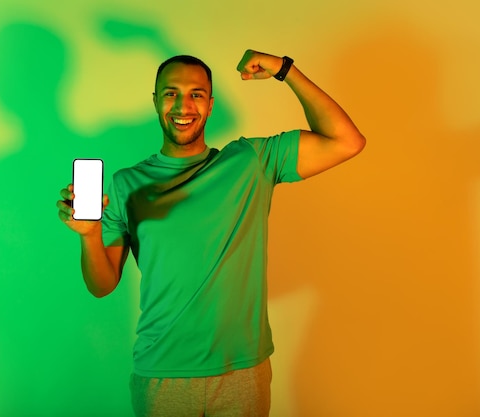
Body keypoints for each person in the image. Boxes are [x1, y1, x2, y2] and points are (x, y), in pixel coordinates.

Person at [57, 50, 365, 417]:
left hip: (241, 372)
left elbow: (347, 141)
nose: (182, 106)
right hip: (162, 375)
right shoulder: (128, 184)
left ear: (211, 104)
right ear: (155, 101)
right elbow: (102, 284)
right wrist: (89, 235)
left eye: (196, 94)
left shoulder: (250, 161)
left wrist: (286, 70)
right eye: (170, 93)